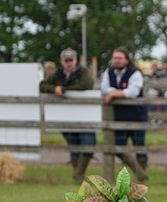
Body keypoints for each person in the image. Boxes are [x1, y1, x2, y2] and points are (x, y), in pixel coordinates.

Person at [40, 48, 97, 183]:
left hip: (85, 115)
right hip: (66, 115)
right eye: (66, 61)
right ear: (62, 61)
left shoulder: (83, 71)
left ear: (76, 60)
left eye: (71, 60)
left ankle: (78, 174)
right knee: (73, 145)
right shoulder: (58, 73)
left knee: (88, 145)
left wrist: (64, 89)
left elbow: (86, 84)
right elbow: (43, 85)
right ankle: (78, 177)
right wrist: (54, 89)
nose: (69, 63)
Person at [100, 47, 148, 183]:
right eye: (115, 58)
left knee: (140, 146)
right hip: (118, 116)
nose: (117, 61)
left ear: (126, 60)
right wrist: (120, 92)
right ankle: (140, 173)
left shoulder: (136, 73)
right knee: (117, 146)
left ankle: (140, 180)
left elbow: (132, 92)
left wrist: (113, 94)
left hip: (137, 115)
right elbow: (104, 88)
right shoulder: (108, 72)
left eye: (120, 58)